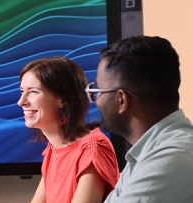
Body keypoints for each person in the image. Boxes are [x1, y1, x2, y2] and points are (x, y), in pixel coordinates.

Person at [94, 36, 193, 202]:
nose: (96, 99)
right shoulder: (147, 153)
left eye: (99, 91)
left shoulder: (172, 157)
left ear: (121, 100)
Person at [18, 56, 119, 203]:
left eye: (33, 92)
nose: (21, 102)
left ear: (63, 99)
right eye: (22, 91)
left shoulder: (92, 148)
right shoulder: (53, 149)